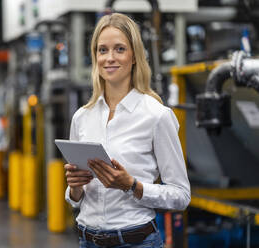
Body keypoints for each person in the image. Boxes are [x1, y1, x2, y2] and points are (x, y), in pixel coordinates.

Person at [64, 13, 190, 248]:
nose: (109, 58)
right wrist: (74, 187)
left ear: (134, 57)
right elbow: (76, 199)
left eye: (119, 49)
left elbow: (181, 196)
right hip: (87, 240)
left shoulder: (156, 115)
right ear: (95, 57)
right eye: (102, 50)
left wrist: (133, 186)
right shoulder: (82, 117)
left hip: (137, 242)